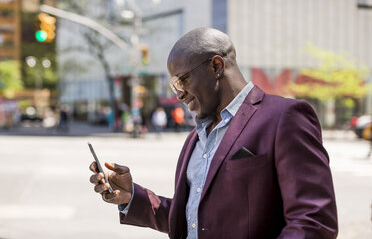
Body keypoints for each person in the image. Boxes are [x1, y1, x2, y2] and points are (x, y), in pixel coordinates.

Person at [89, 27, 338, 239]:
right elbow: (194, 219)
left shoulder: (284, 117)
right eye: (174, 84)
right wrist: (131, 197)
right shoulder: (195, 139)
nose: (179, 93)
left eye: (182, 79)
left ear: (216, 65)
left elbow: (313, 221)